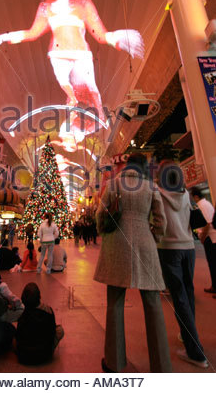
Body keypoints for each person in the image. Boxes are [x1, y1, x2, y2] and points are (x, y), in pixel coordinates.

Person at [0, 0, 144, 150]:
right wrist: (4, 37)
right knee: (74, 97)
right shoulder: (46, 8)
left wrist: (120, 40)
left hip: (81, 58)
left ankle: (74, 131)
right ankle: (71, 129)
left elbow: (101, 35)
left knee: (93, 98)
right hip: (58, 58)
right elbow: (32, 33)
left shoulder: (84, 4)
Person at [94, 153, 172, 373]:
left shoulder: (113, 184)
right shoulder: (151, 187)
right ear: (144, 167)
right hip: (145, 245)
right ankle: (161, 366)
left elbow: (100, 214)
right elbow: (161, 220)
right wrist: (154, 236)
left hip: (116, 246)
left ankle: (114, 362)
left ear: (126, 166)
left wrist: (104, 233)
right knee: (153, 304)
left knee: (115, 303)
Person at [157, 161, 208, 368]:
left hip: (169, 248)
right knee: (187, 292)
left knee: (178, 297)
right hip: (188, 248)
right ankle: (186, 333)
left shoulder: (158, 194)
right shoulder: (185, 194)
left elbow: (158, 221)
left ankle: (195, 352)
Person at [16, 282, 64, 364]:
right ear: (39, 297)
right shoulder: (48, 310)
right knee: (60, 330)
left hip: (24, 357)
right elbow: (52, 331)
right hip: (45, 355)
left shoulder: (21, 313)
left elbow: (19, 334)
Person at [190, 187, 216, 295]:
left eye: (192, 196)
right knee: (212, 263)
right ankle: (214, 285)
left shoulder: (201, 205)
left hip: (211, 238)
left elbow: (207, 223)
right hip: (211, 237)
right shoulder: (206, 203)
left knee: (213, 263)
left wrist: (202, 237)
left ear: (196, 196)